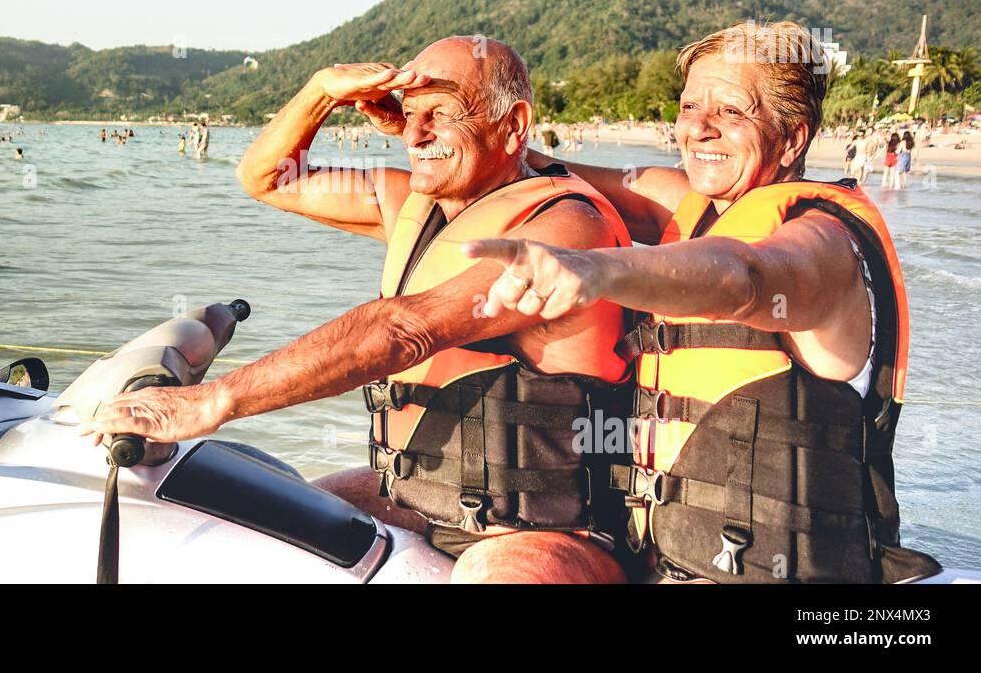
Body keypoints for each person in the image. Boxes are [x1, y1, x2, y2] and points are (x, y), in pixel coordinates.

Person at [81, 37, 635, 584]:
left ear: (512, 125)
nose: (415, 134)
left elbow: (404, 329)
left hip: (549, 530)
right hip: (423, 494)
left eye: (440, 112)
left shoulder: (568, 225)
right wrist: (322, 91)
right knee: (257, 534)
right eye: (408, 114)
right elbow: (266, 178)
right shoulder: (409, 205)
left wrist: (208, 402)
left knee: (495, 573)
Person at [464, 21, 941, 583]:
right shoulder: (687, 205)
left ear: (792, 138)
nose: (701, 129)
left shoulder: (826, 247)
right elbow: (542, 171)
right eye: (690, 106)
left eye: (733, 113)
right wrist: (452, 130)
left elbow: (744, 276)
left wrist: (595, 268)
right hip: (660, 559)